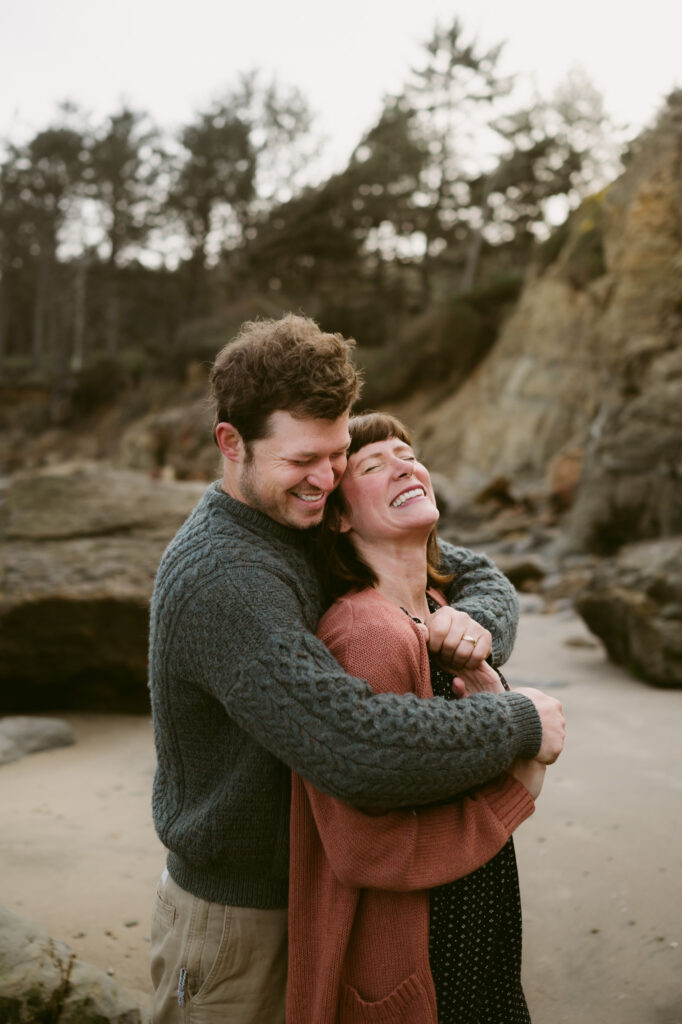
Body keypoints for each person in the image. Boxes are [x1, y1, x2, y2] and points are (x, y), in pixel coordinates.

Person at [148, 314, 565, 1024]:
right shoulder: (226, 578)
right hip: (239, 923)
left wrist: (474, 632)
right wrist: (518, 721)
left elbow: (470, 571)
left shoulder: (299, 517)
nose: (326, 478)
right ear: (232, 443)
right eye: (302, 458)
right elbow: (356, 745)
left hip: (322, 900)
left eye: (338, 453)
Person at [288, 412, 551, 1023]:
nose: (404, 465)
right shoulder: (364, 633)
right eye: (373, 465)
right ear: (341, 516)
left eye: (408, 454)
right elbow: (361, 850)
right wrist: (518, 791)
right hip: (424, 961)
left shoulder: (435, 608)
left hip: (477, 931)